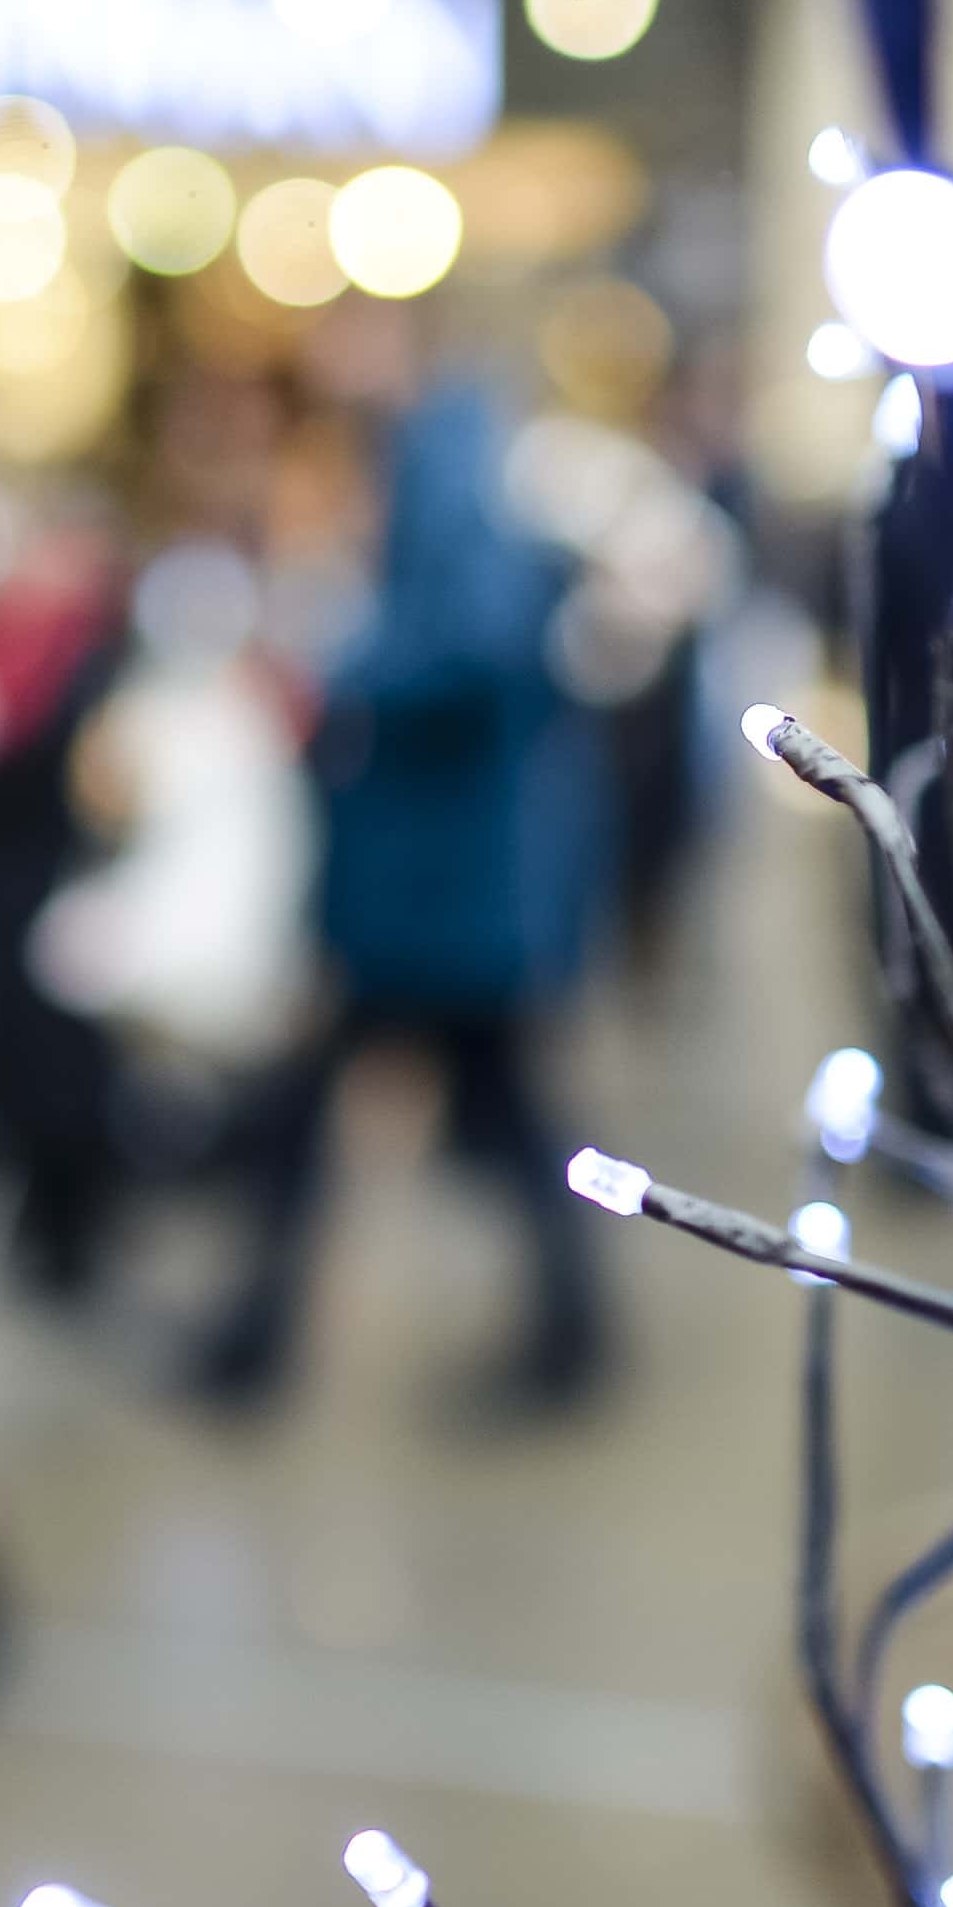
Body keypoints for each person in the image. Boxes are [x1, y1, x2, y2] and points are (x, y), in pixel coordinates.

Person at [190, 323, 613, 1415]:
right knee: (481, 1117)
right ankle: (262, 1335)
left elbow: (474, 649)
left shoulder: (450, 476)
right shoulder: (437, 466)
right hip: (429, 881)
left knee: (478, 1116)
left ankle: (261, 1340)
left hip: (438, 884)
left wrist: (338, 677)